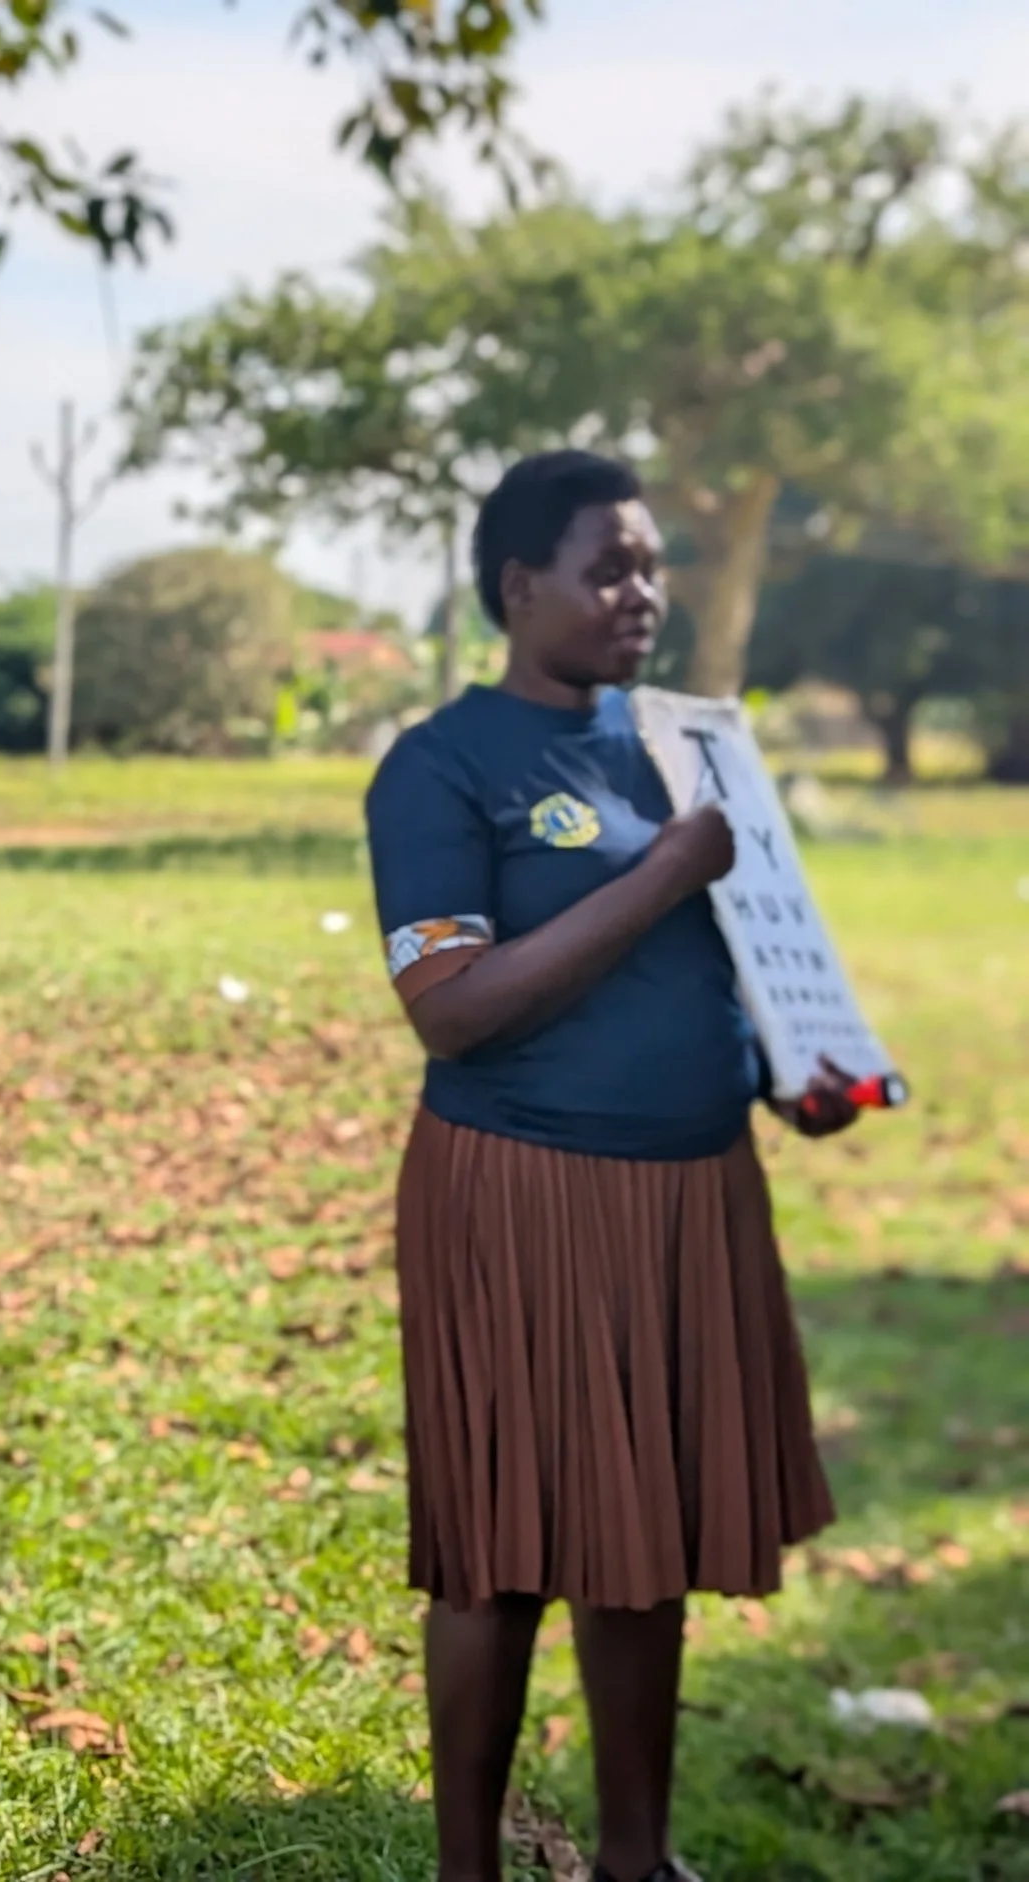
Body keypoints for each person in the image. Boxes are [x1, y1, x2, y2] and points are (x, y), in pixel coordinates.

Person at [365, 450, 858, 1882]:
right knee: (502, 1541)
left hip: (690, 1189)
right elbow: (450, 1006)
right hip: (522, 1190)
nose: (640, 592)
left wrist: (793, 1075)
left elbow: (737, 952)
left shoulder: (680, 746)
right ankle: (470, 1866)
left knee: (648, 1535)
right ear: (520, 589)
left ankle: (639, 1861)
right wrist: (661, 872)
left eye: (651, 565)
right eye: (608, 566)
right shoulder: (442, 765)